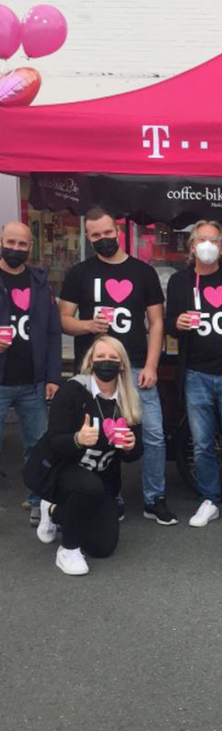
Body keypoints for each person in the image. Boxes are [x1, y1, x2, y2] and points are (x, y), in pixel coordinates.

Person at [59, 207, 175, 525]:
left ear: (117, 231)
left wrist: (152, 364)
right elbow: (64, 321)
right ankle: (110, 495)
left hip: (136, 366)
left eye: (107, 233)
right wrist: (88, 326)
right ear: (88, 237)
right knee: (98, 434)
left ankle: (154, 498)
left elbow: (156, 322)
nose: (103, 239)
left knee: (151, 434)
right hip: (93, 371)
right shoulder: (79, 273)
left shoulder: (143, 272)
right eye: (96, 235)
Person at [165, 220, 222, 529]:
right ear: (192, 246)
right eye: (201, 239)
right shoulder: (180, 282)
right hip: (195, 374)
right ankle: (210, 500)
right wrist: (177, 325)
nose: (207, 245)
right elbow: (168, 325)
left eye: (214, 240)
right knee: (202, 443)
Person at [33, 336, 142, 575]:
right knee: (88, 486)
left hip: (103, 481)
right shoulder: (73, 391)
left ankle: (53, 511)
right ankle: (67, 550)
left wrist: (130, 447)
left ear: (122, 364)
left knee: (103, 547)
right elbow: (54, 440)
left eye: (113, 358)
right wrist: (77, 439)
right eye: (100, 357)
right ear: (90, 362)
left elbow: (134, 455)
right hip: (64, 470)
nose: (107, 362)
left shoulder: (127, 399)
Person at [0, 221, 61, 526]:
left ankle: (39, 500)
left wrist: (53, 377)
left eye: (22, 244)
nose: (16, 249)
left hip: (34, 381)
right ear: (1, 241)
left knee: (37, 445)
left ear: (30, 247)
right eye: (11, 242)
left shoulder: (40, 282)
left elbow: (52, 333)